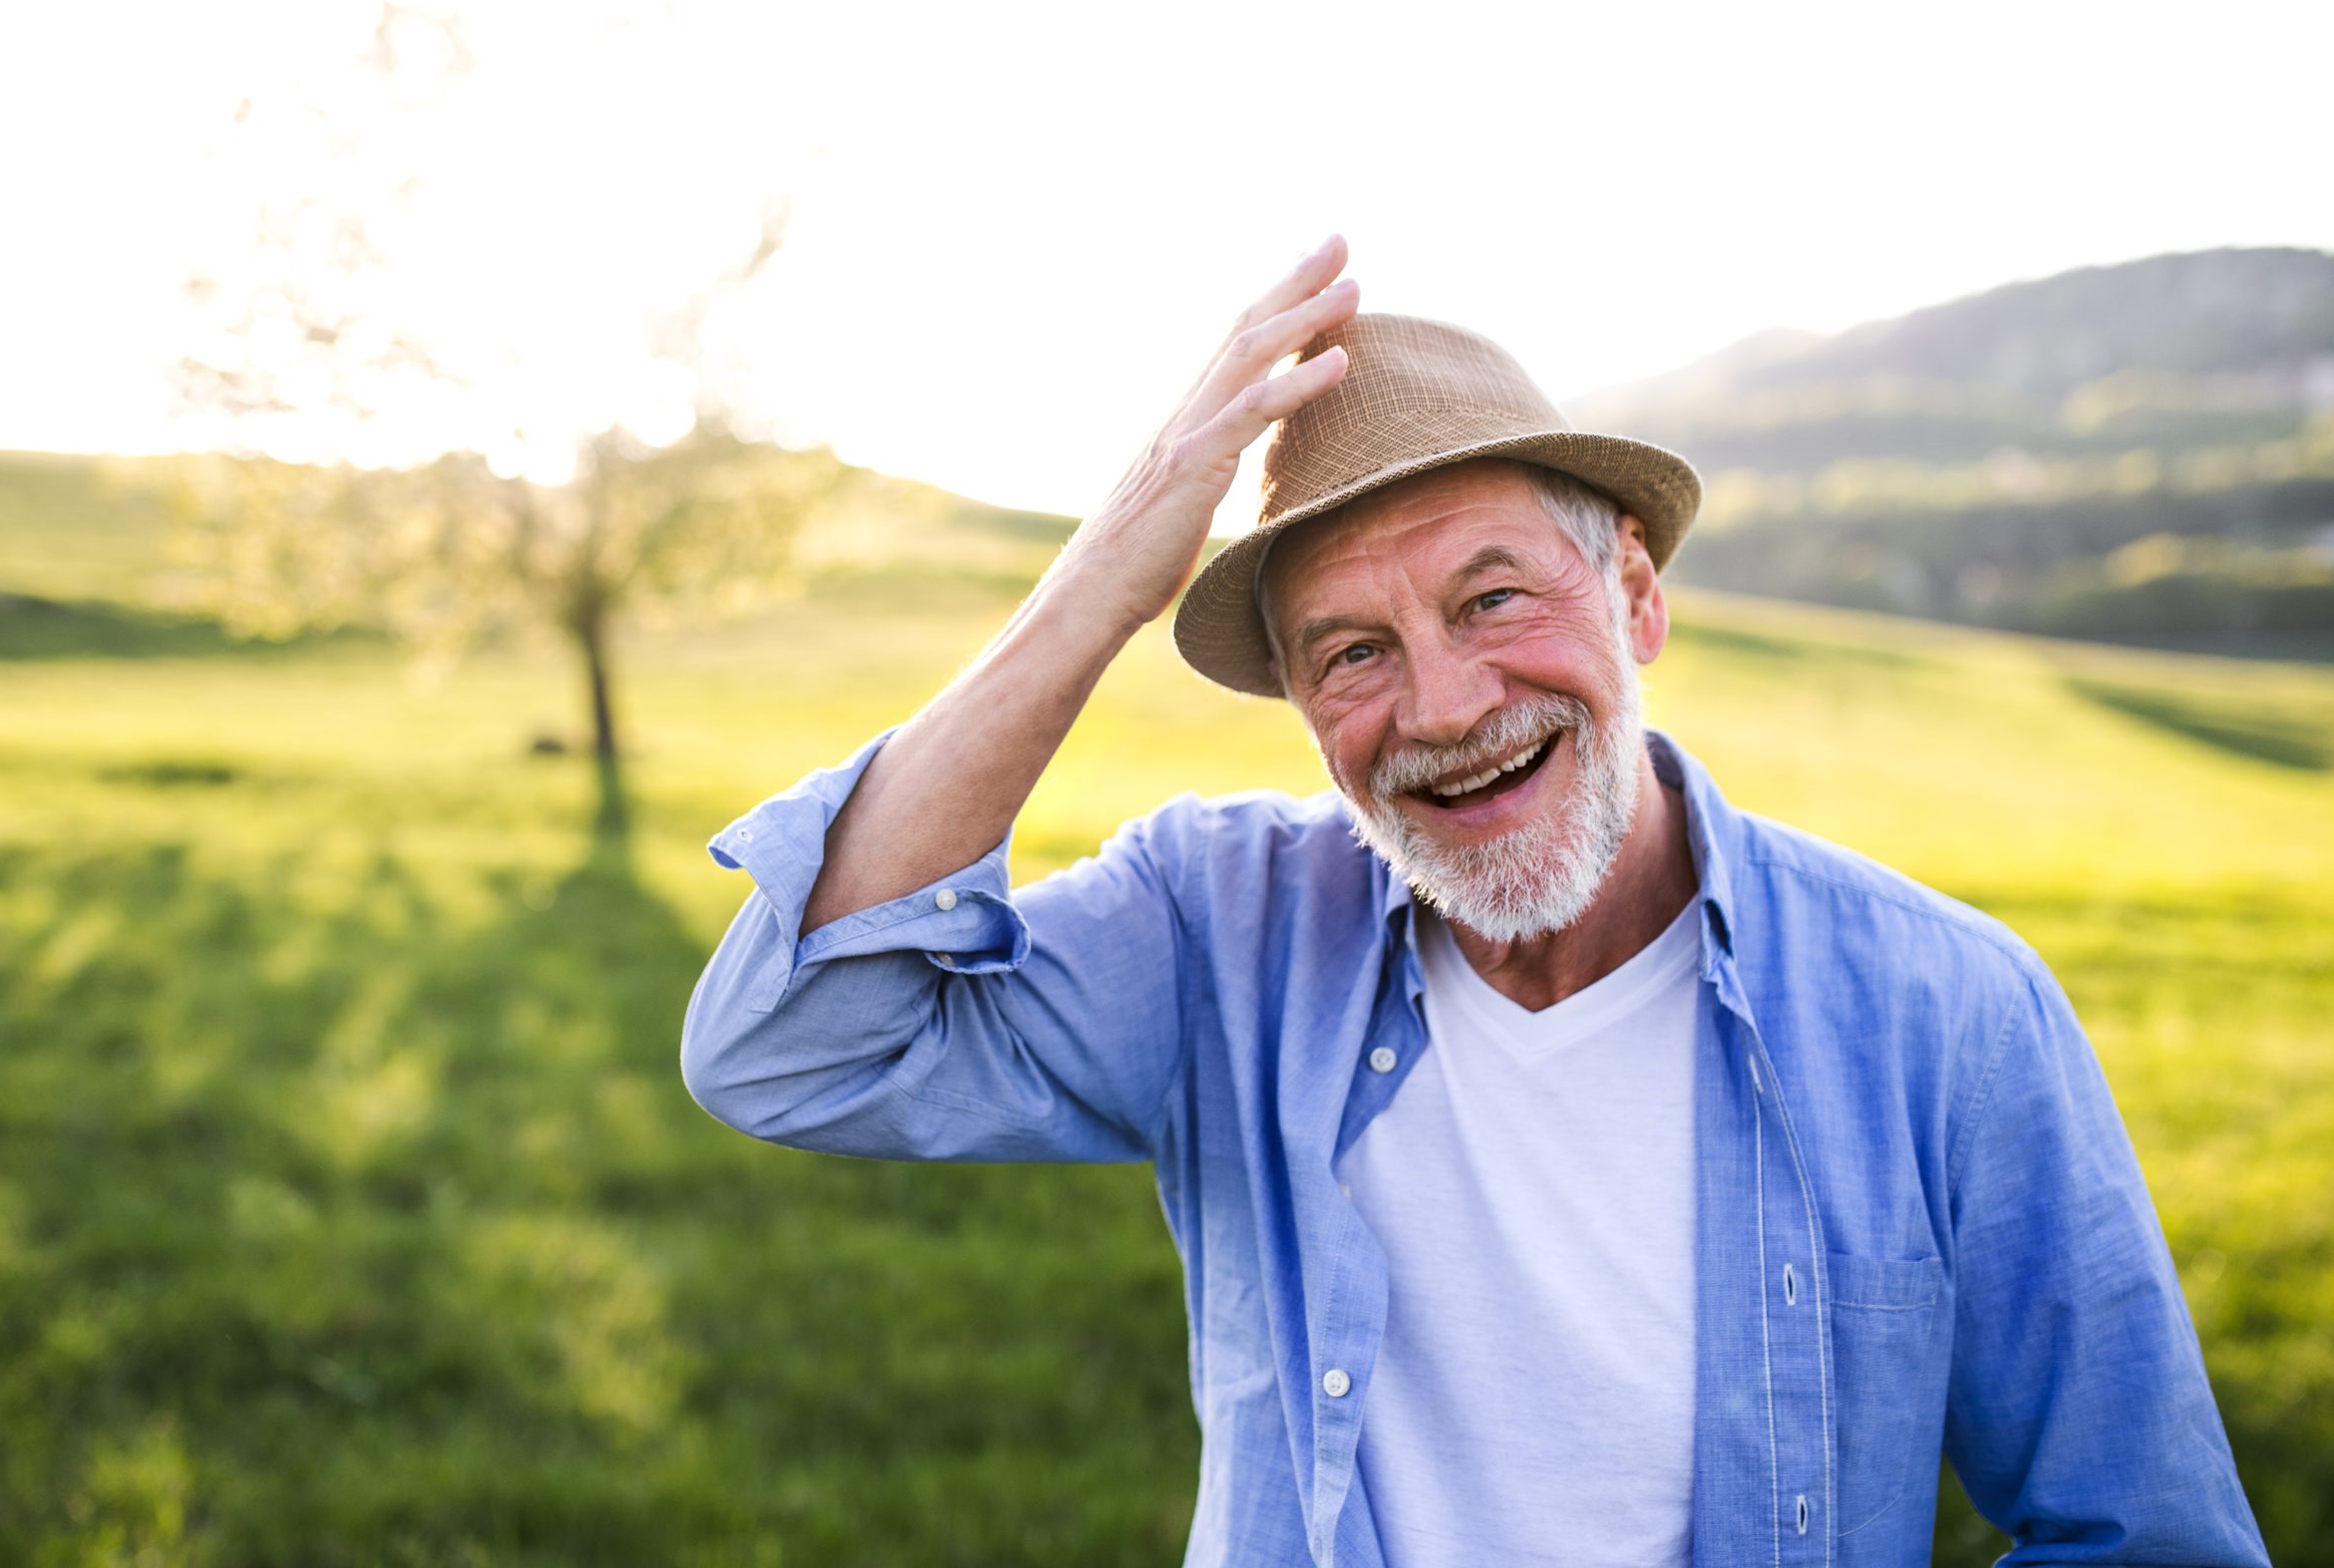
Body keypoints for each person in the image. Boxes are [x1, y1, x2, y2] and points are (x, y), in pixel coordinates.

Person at [679, 235, 2268, 1567]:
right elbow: (798, 1035)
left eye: (1494, 596)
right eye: (1351, 651)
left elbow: (2146, 1533)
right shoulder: (1220, 927)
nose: (1441, 707)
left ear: (1635, 593)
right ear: (1298, 701)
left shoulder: (1947, 1012)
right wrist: (1112, 567)